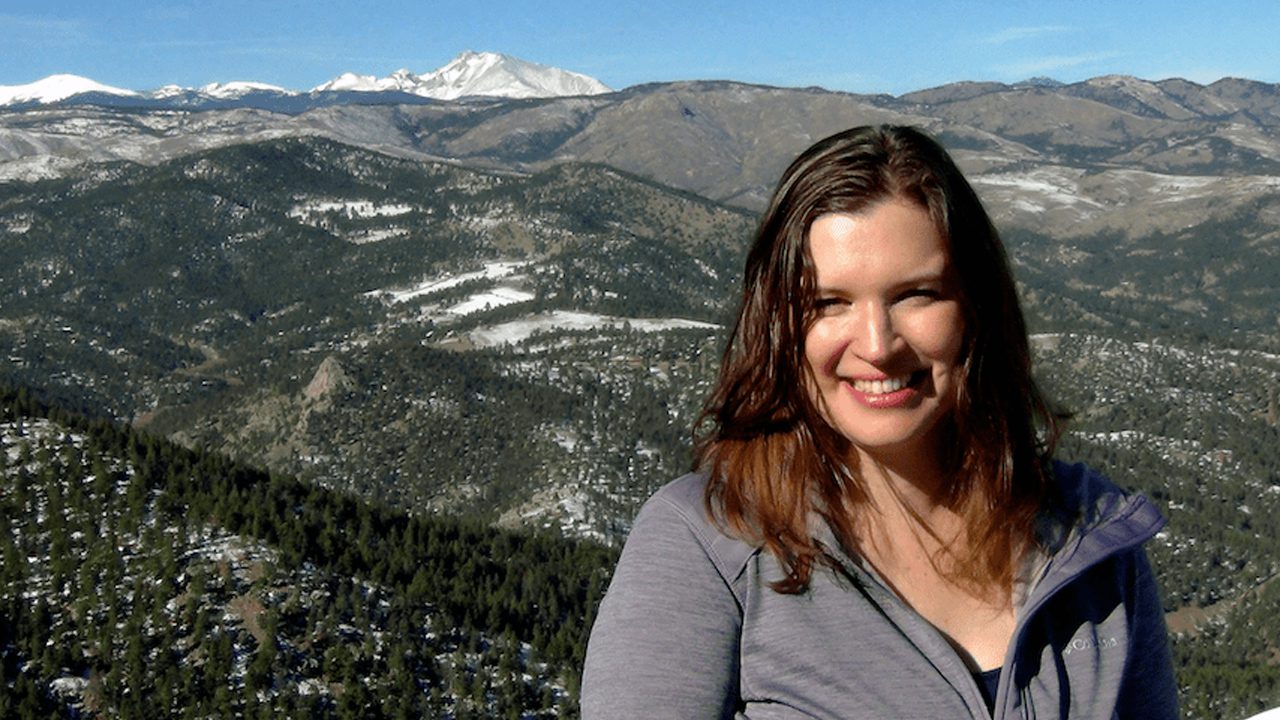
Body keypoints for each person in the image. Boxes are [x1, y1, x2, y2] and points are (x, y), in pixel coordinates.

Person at [580, 125, 1178, 719]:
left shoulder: (1093, 542)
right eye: (828, 302)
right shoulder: (709, 543)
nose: (877, 344)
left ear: (974, 308)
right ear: (780, 325)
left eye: (916, 294)